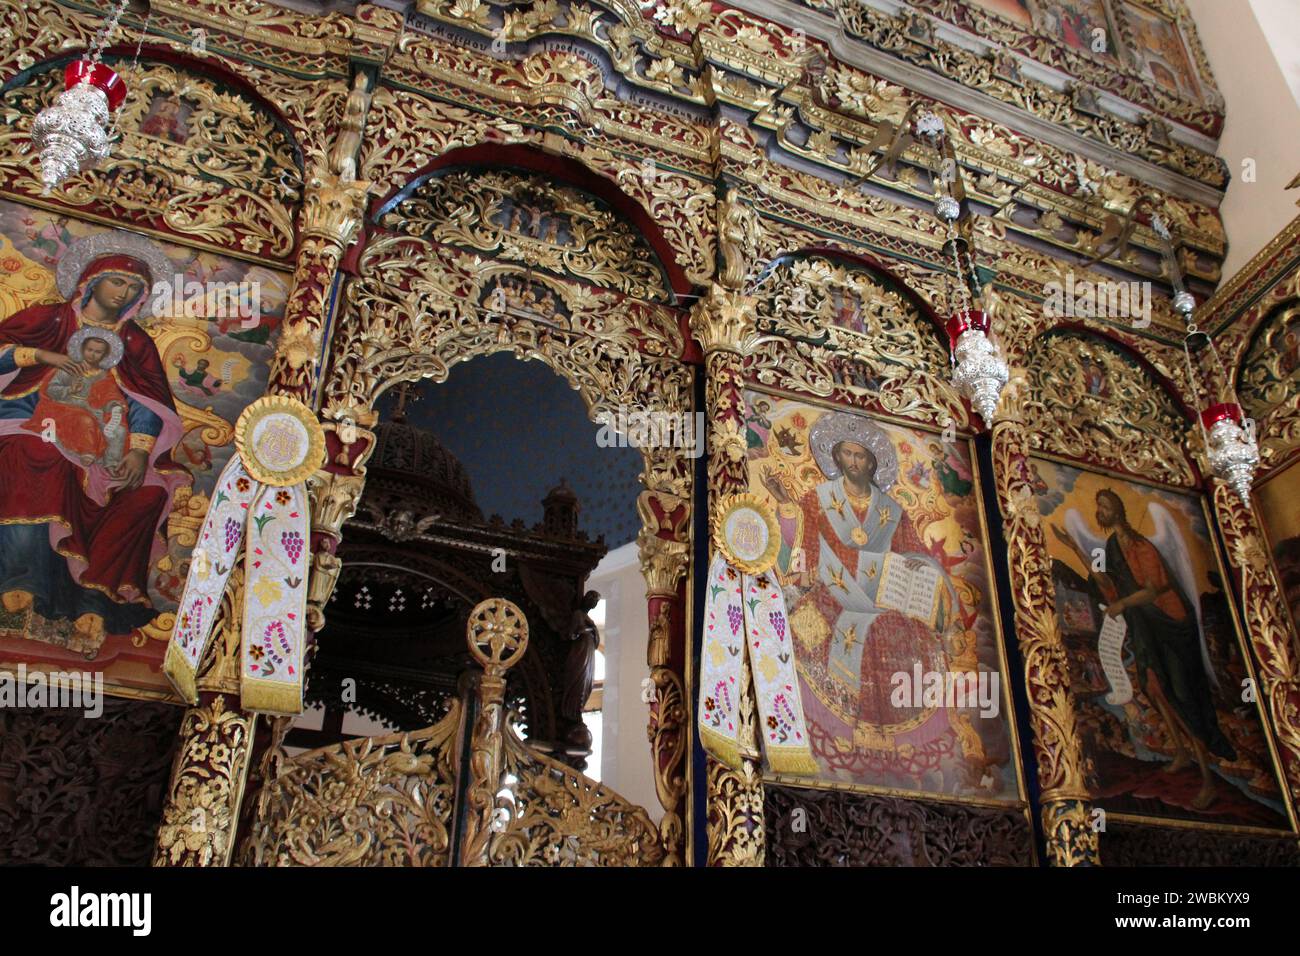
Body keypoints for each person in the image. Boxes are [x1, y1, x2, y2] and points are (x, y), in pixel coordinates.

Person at [0, 247, 187, 646]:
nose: (123, 293)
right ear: (91, 281)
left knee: (148, 493)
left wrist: (139, 450)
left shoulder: (134, 341)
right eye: (117, 281)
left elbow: (146, 401)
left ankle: (94, 602)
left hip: (103, 445)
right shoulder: (49, 319)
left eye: (133, 288)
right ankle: (21, 580)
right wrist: (40, 355)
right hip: (33, 422)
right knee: (37, 454)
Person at [1051, 489, 1236, 809]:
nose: (1100, 511)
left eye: (1104, 506)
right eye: (1098, 506)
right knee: (1153, 687)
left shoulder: (1142, 547)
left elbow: (1153, 590)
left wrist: (1123, 604)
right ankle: (1181, 752)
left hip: (1170, 624)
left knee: (1181, 694)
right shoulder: (1112, 547)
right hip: (1144, 625)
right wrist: (1074, 548)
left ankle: (1207, 778)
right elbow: (1107, 584)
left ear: (1118, 510)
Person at [764, 412, 948, 725]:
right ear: (836, 457)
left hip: (882, 599)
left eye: (860, 456)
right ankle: (831, 721)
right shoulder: (818, 499)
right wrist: (785, 505)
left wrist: (923, 566)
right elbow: (801, 546)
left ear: (872, 463)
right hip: (830, 590)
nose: (853, 461)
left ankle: (889, 723)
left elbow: (915, 553)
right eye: (847, 453)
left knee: (901, 633)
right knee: (807, 626)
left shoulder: (892, 511)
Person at [21, 330, 130, 470]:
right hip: (64, 406)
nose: (92, 354)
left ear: (104, 355)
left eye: (98, 352)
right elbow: (51, 390)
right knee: (85, 420)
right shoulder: (69, 368)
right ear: (82, 349)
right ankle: (87, 451)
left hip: (90, 407)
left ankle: (111, 463)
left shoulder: (104, 375)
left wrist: (114, 405)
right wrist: (70, 390)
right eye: (90, 350)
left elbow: (110, 394)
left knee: (119, 430)